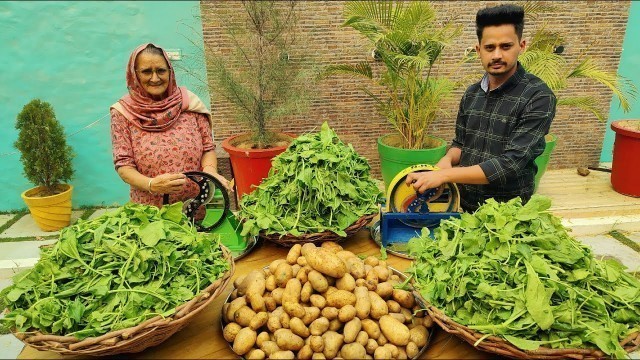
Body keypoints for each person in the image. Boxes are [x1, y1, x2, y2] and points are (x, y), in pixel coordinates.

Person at [406, 4, 556, 212]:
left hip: (508, 213)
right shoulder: (472, 94)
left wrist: (444, 175)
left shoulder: (538, 96)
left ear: (521, 46)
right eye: (489, 47)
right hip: (465, 204)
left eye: (505, 46)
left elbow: (510, 164)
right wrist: (446, 161)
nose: (496, 55)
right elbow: (460, 144)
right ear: (478, 50)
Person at [110, 43, 232, 209]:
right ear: (135, 74)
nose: (155, 78)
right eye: (146, 71)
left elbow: (207, 148)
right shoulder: (123, 112)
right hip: (150, 211)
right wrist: (152, 184)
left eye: (160, 70)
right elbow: (124, 165)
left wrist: (210, 171)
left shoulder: (189, 103)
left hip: (194, 206)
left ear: (170, 71)